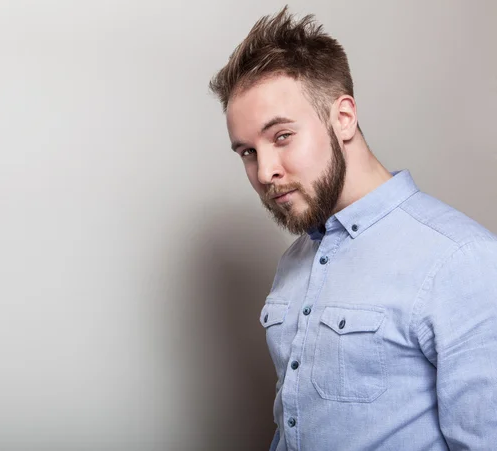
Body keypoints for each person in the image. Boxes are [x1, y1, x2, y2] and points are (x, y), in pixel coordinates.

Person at [208, 6, 497, 451]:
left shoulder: (462, 260)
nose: (265, 171)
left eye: (282, 136)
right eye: (247, 151)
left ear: (343, 118)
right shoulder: (295, 259)